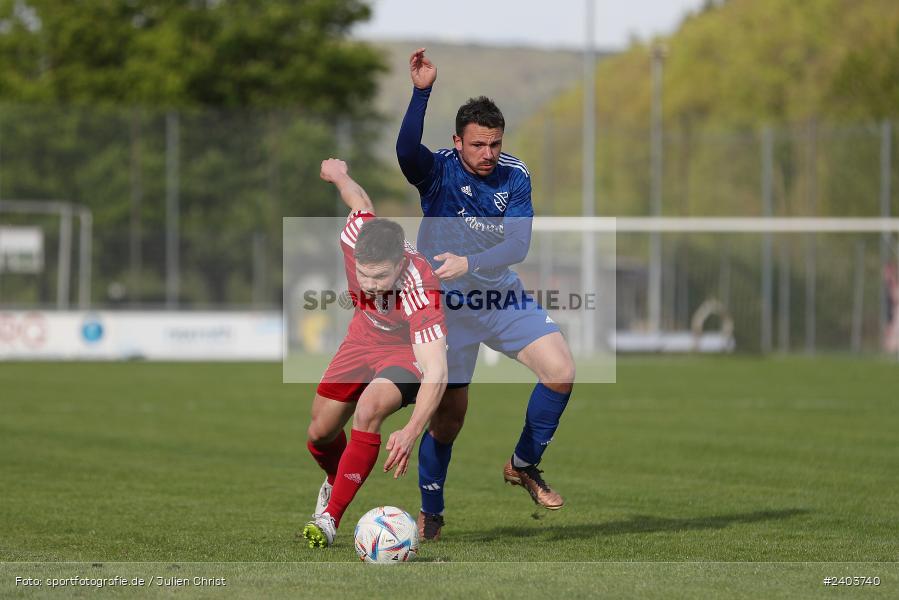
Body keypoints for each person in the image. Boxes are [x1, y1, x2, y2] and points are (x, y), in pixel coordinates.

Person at [396, 48, 576, 541]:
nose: (488, 153)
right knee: (448, 418)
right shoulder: (439, 171)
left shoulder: (515, 174)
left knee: (561, 372)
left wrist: (469, 263)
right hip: (447, 310)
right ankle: (431, 514)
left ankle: (523, 464)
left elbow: (517, 244)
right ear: (458, 142)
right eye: (478, 144)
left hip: (499, 298)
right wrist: (421, 92)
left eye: (495, 143)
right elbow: (406, 152)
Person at [302, 158, 448, 548]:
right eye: (364, 275)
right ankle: (336, 480)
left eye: (381, 277)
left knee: (368, 410)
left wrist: (412, 430)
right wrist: (338, 174)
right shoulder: (355, 236)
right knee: (318, 434)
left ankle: (329, 519)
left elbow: (436, 370)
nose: (370, 285)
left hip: (403, 352)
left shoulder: (421, 284)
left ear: (399, 264)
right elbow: (360, 200)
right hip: (361, 338)